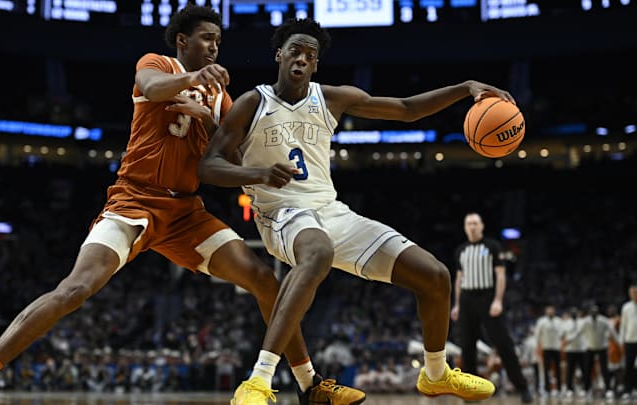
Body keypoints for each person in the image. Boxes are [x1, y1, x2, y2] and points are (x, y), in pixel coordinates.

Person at [0, 6, 362, 405]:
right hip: (134, 200)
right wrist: (192, 81)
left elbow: (232, 160)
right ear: (182, 41)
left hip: (186, 214)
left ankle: (310, 386)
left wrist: (208, 116)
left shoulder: (221, 98)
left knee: (264, 281)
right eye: (206, 39)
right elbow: (152, 88)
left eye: (218, 41)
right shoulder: (158, 64)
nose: (215, 47)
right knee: (75, 289)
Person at [199, 17, 512, 405]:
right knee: (318, 252)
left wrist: (465, 88)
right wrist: (257, 173)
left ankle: (435, 374)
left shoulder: (330, 98)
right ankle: (259, 380)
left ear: (315, 65)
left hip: (331, 211)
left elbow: (405, 109)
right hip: (280, 213)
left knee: (435, 276)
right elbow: (209, 166)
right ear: (279, 54)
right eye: (294, 51)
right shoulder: (253, 102)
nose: (301, 59)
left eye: (309, 55)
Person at [450, 212, 533, 403]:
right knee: (467, 347)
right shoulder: (460, 250)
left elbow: (501, 275)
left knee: (503, 343)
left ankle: (522, 387)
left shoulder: (492, 247)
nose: (472, 226)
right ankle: (471, 392)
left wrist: (498, 300)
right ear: (465, 227)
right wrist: (456, 304)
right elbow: (459, 279)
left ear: (481, 226)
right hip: (466, 299)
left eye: (475, 223)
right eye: (469, 223)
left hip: (487, 296)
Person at [565, 303, 620, 399]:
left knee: (604, 369)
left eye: (595, 312)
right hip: (589, 347)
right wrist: (569, 339)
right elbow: (578, 333)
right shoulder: (585, 322)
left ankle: (608, 389)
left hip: (602, 347)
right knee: (587, 369)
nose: (594, 314)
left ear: (598, 313)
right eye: (592, 312)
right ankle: (586, 389)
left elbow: (613, 333)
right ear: (589, 313)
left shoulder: (604, 320)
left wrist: (620, 344)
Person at [534, 304, 563, 397]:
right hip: (546, 348)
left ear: (554, 311)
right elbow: (537, 335)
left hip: (556, 348)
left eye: (552, 310)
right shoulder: (541, 321)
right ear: (546, 311)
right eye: (548, 310)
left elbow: (562, 334)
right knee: (546, 369)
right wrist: (538, 347)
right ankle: (547, 389)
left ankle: (559, 389)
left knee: (558, 369)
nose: (550, 312)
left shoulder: (559, 321)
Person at [619, 283, 637, 400]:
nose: (634, 294)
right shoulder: (626, 307)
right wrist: (621, 340)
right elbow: (623, 325)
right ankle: (627, 390)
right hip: (629, 340)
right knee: (628, 366)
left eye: (636, 292)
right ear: (629, 294)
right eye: (632, 292)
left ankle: (635, 389)